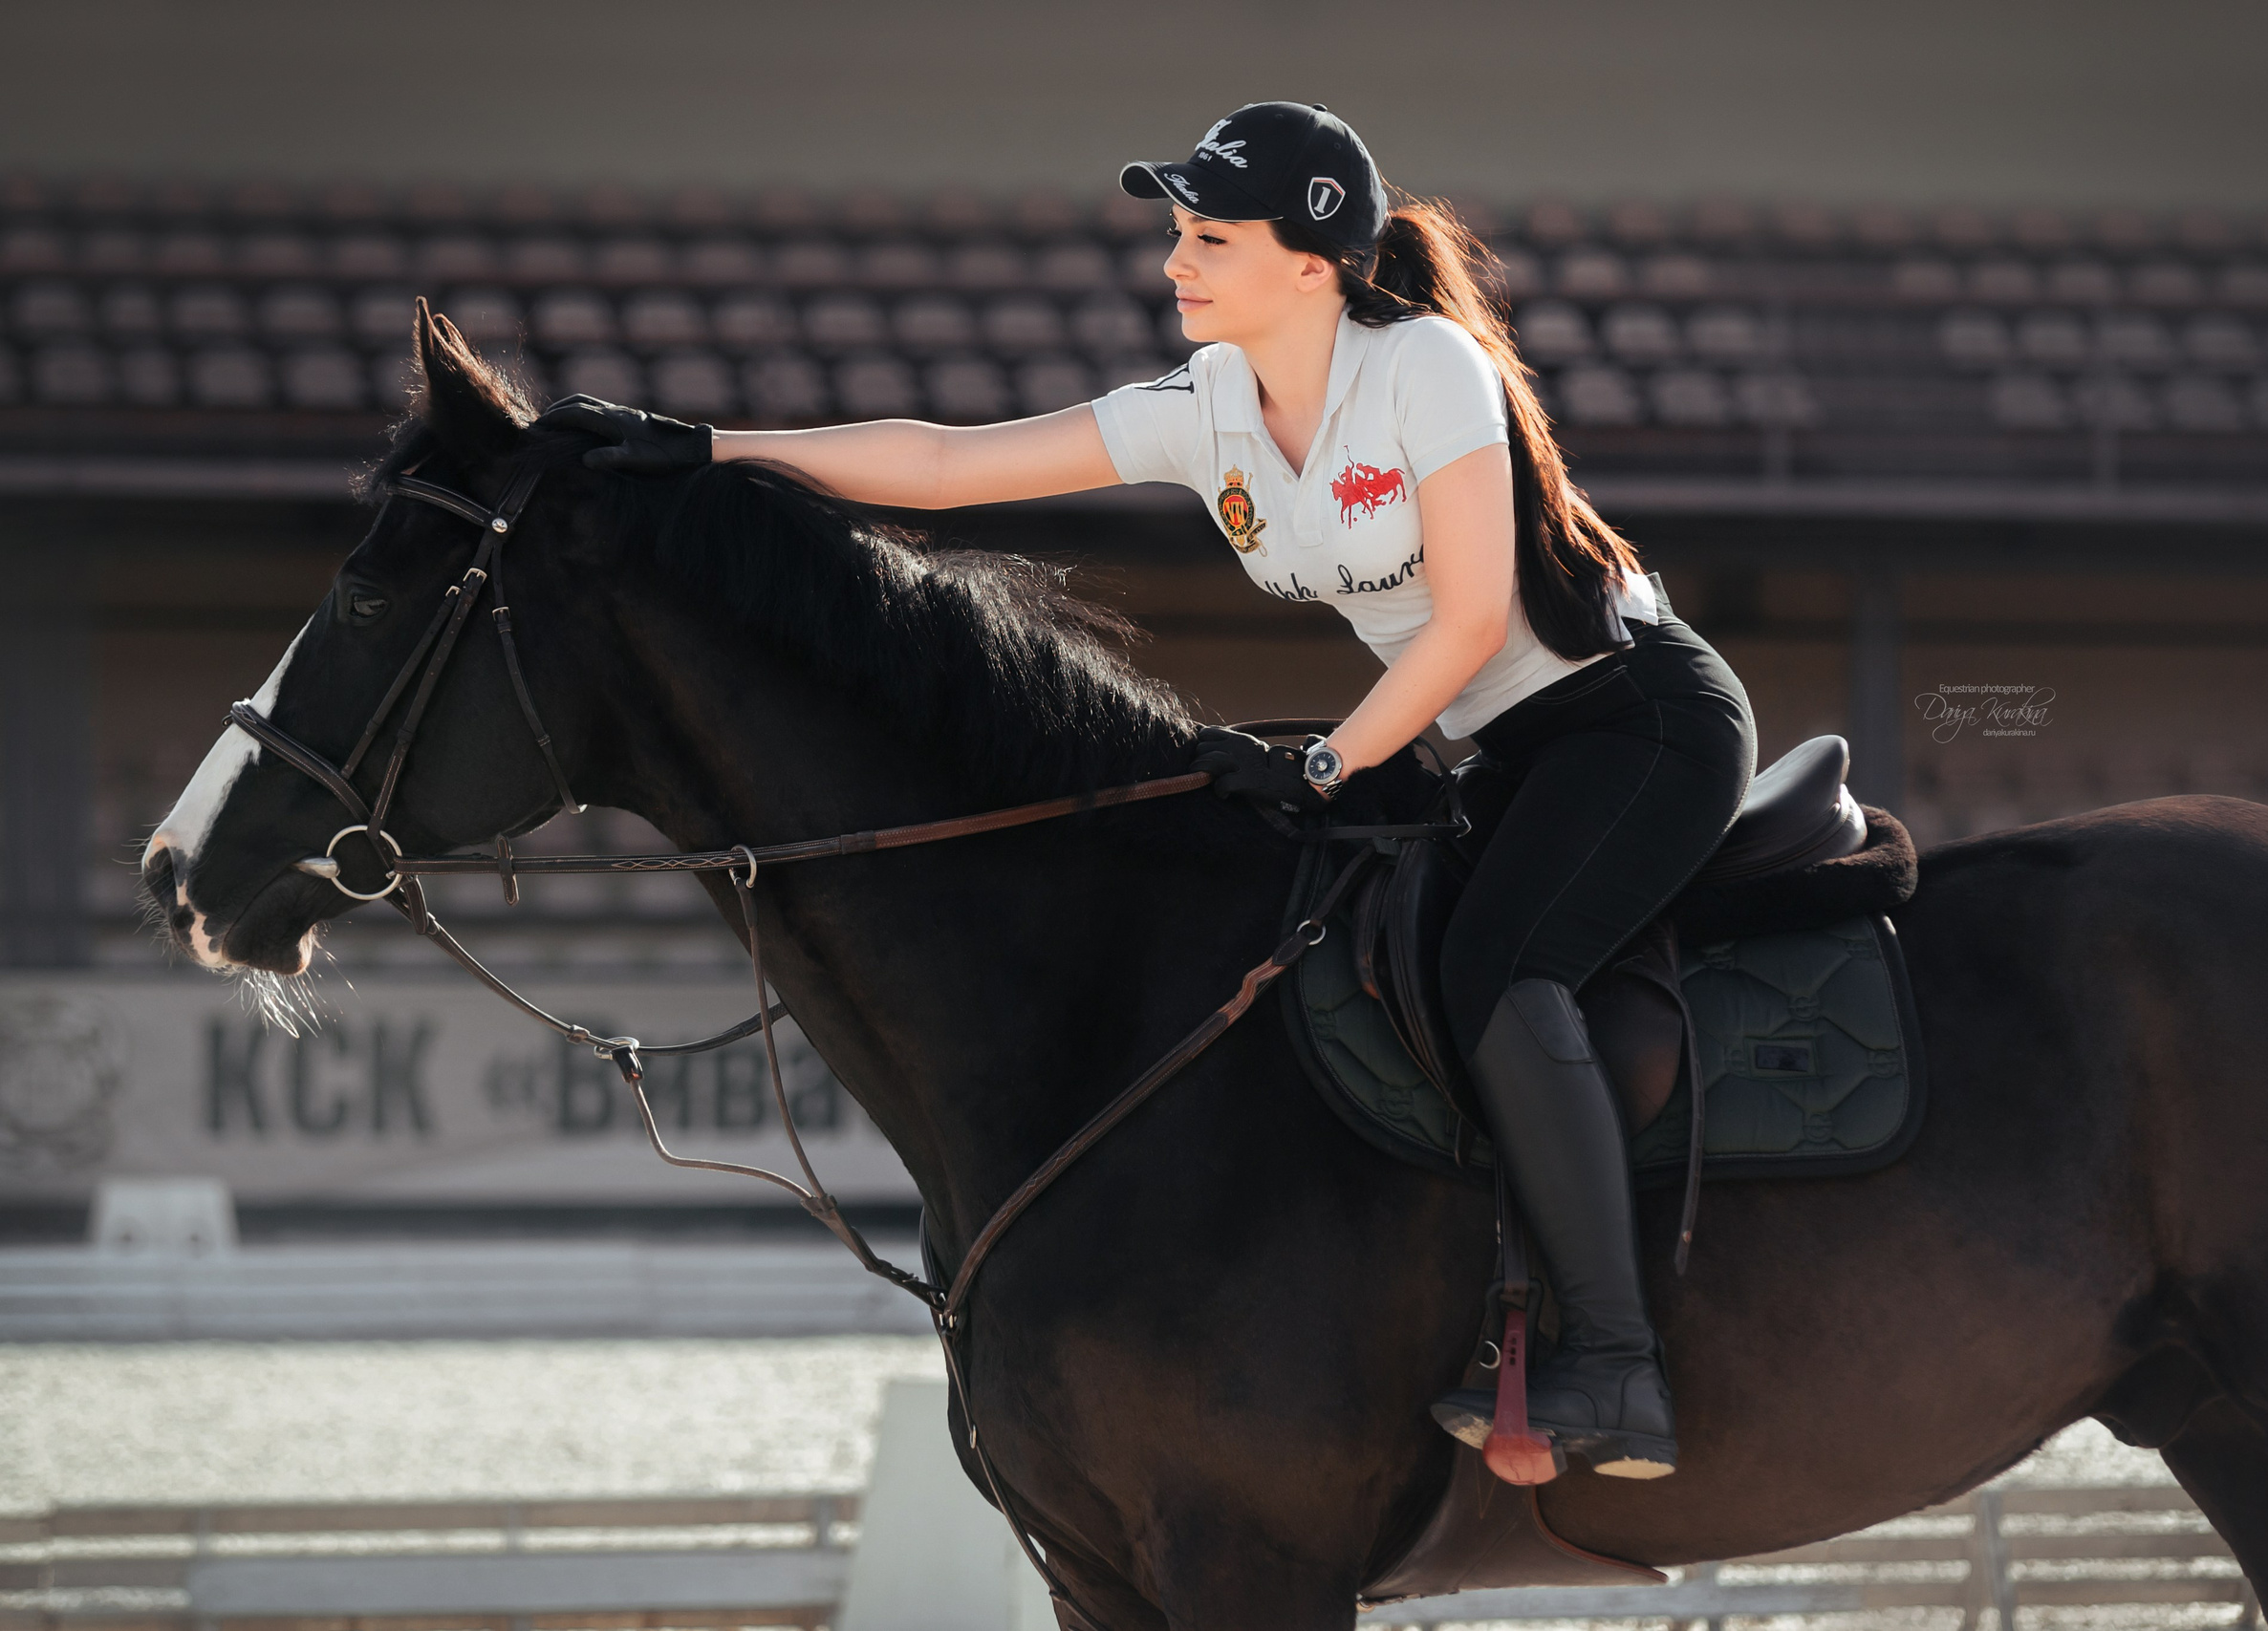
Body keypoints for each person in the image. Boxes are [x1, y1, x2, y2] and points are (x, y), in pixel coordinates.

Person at [539, 101, 1756, 1478]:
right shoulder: (1209, 412)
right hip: (1495, 747)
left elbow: (1474, 620)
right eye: (1178, 233)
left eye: (1211, 238)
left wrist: (1327, 758)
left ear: (1315, 262)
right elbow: (946, 464)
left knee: (1494, 976)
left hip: (1636, 722)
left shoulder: (1425, 367)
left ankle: (1620, 1366)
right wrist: (710, 452)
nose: (1176, 262)